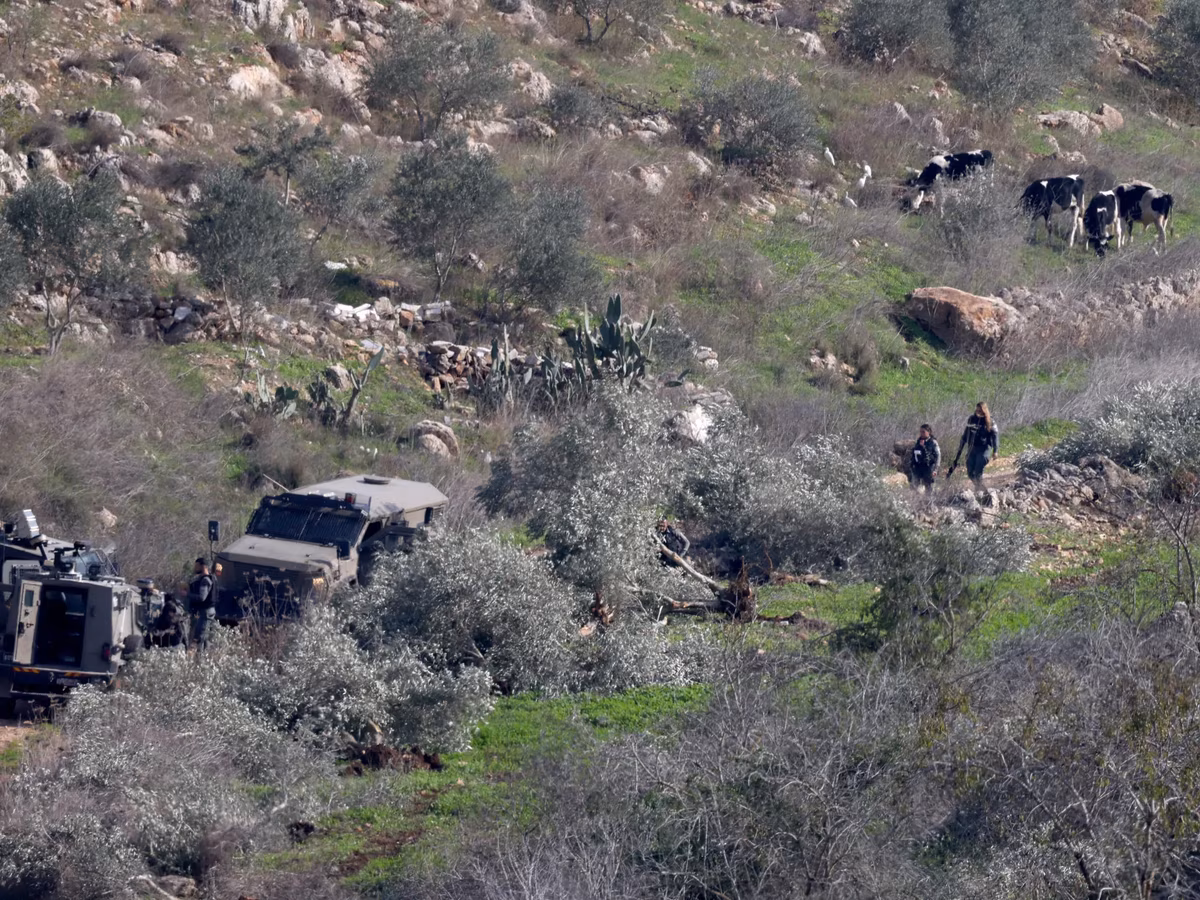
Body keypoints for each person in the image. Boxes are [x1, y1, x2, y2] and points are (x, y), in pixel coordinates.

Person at [951, 402, 999, 489]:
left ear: (984, 410)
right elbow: (966, 434)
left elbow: (995, 436)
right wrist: (961, 447)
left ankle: (980, 491)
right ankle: (981, 487)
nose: (978, 412)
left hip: (984, 449)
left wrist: (995, 451)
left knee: (978, 472)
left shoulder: (990, 421)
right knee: (970, 473)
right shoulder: (971, 419)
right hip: (972, 448)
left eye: (980, 410)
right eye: (977, 410)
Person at [188, 557, 216, 653]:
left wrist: (187, 594)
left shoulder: (205, 580)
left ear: (203, 566)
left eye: (197, 566)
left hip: (206, 612)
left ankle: (201, 658)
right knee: (205, 637)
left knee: (201, 637)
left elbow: (201, 597)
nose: (195, 568)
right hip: (209, 611)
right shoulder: (212, 578)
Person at [909, 424, 940, 493]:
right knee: (914, 485)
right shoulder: (918, 441)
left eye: (923, 432)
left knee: (929, 486)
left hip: (929, 467)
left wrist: (936, 469)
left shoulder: (933, 442)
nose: (921, 434)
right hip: (918, 467)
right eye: (920, 432)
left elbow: (938, 456)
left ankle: (929, 498)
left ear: (929, 432)